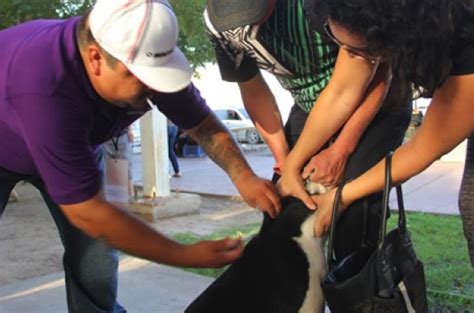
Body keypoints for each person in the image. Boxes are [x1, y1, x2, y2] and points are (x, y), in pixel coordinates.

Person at [0, 1, 281, 312]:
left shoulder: (141, 57)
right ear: (96, 58)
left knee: (95, 254)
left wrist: (243, 176)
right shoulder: (45, 84)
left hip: (76, 144)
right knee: (96, 223)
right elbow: (87, 212)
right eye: (144, 77)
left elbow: (202, 125)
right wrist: (184, 255)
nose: (156, 86)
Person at [205, 0, 411, 260]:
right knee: (284, 210)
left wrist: (340, 150)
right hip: (311, 105)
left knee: (352, 221)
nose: (244, 25)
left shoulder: (317, 7)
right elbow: (253, 91)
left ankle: (361, 294)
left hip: (375, 102)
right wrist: (285, 162)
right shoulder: (219, 27)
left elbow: (373, 74)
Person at [291, 0, 474, 266]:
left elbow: (424, 147)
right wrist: (291, 166)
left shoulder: (465, 38)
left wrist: (342, 196)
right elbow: (342, 91)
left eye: (356, 51)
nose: (346, 56)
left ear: (396, 34)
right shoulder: (364, 17)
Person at [103, 126, 135, 196]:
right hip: (105, 137)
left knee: (127, 169)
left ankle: (131, 197)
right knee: (109, 169)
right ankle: (114, 199)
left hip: (122, 135)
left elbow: (126, 115)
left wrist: (130, 130)